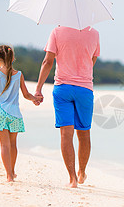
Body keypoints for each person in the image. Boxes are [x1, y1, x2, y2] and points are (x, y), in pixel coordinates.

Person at [35, 26, 100, 188]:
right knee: (84, 133)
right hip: (84, 89)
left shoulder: (57, 32)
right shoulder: (94, 33)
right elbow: (93, 59)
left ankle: (72, 179)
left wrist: (38, 89)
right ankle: (82, 172)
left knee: (66, 134)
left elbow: (47, 61)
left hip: (62, 88)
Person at [0, 45, 40, 182]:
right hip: (14, 113)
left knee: (4, 145)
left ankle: (9, 175)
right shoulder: (19, 75)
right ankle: (12, 171)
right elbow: (26, 94)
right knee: (13, 144)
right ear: (13, 58)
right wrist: (35, 99)